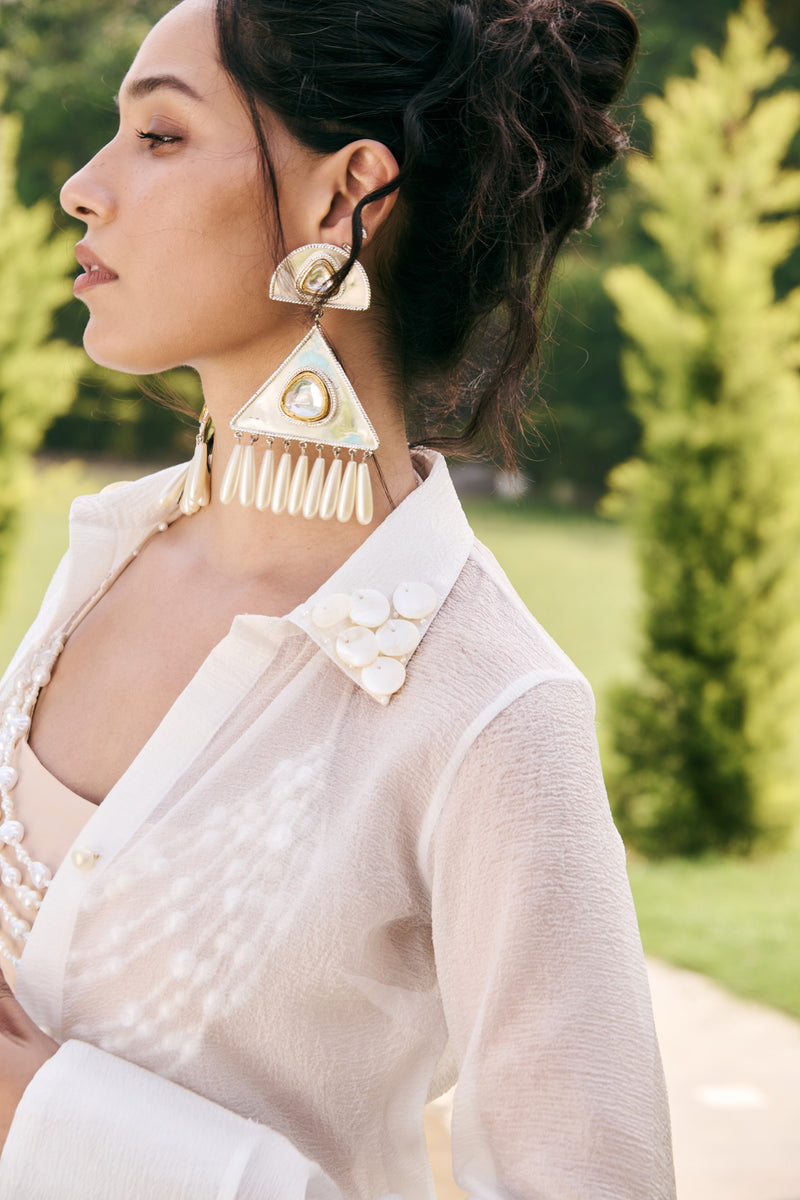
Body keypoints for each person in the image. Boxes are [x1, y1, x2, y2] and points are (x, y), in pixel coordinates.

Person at [0, 0, 676, 1196]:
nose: (82, 187)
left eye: (159, 136)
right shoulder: (107, 556)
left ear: (343, 197)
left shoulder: (488, 712)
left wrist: (60, 1127)